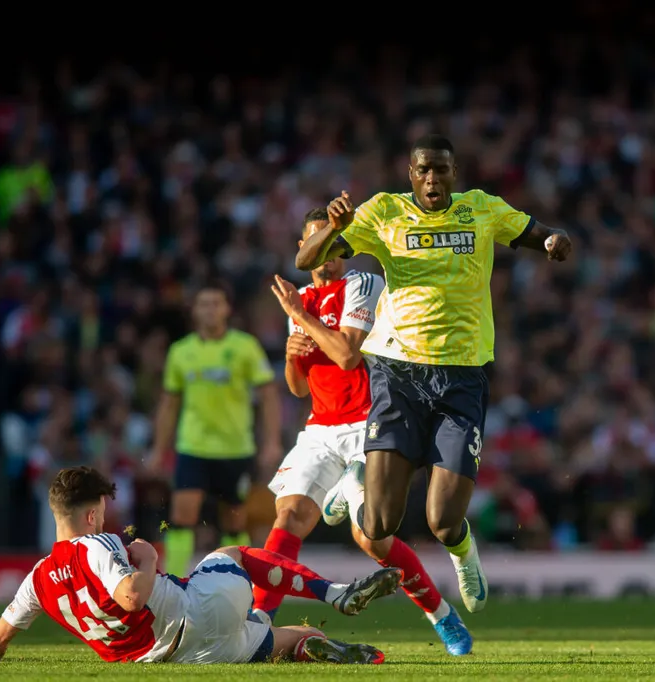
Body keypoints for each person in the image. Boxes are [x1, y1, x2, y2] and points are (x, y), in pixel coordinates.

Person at [296, 134, 572, 613]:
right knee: (379, 523)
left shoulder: (481, 209)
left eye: (441, 170)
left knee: (444, 522)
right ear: (410, 174)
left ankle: (464, 555)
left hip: (462, 376)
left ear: (454, 173)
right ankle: (350, 483)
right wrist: (331, 229)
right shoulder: (383, 212)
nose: (432, 178)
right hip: (397, 373)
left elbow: (533, 232)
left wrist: (552, 240)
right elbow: (306, 260)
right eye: (423, 169)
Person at [258, 207, 472, 655]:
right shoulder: (299, 298)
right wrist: (291, 353)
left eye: (337, 247)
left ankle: (441, 615)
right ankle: (259, 623)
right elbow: (298, 388)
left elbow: (349, 356)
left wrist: (305, 320)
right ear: (303, 250)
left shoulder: (362, 284)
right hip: (321, 427)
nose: (328, 257)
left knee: (370, 537)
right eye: (318, 246)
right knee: (288, 516)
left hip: (368, 422)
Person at [0, 466, 400, 665]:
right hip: (195, 611)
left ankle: (306, 644)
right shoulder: (95, 543)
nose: (104, 520)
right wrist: (150, 557)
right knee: (233, 554)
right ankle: (337, 594)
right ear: (89, 517)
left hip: (177, 658)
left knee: (299, 636)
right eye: (101, 512)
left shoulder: (36, 580)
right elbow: (133, 597)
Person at [147, 281, 282, 576]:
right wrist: (159, 449)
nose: (210, 310)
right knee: (182, 515)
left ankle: (236, 579)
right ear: (195, 311)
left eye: (216, 303)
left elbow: (269, 395)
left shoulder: (245, 347)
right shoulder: (181, 352)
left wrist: (271, 441)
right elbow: (169, 404)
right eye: (204, 304)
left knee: (235, 521)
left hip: (236, 448)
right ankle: (175, 581)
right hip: (193, 446)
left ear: (227, 309)